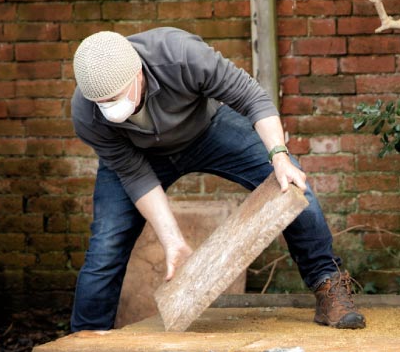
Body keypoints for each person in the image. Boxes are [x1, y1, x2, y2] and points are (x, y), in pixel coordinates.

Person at [68, 28, 365, 332]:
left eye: (114, 98)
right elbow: (135, 175)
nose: (109, 109)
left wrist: (279, 155)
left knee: (291, 181)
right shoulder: (86, 113)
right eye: (101, 102)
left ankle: (329, 286)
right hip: (138, 155)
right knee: (106, 244)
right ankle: (85, 337)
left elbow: (251, 97)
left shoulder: (180, 54)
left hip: (207, 129)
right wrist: (172, 240)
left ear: (138, 73)